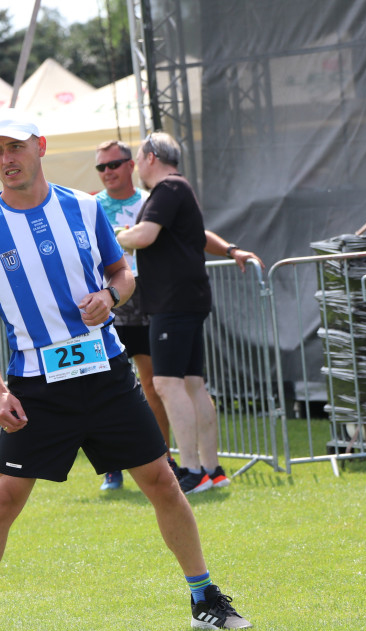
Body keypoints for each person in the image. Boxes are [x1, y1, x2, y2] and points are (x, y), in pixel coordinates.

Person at [0, 109, 251, 631]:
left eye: (15, 147)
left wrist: (112, 297)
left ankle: (205, 598)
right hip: (36, 386)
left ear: (40, 147)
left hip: (106, 373)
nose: (6, 159)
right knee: (4, 499)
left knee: (161, 481)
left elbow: (122, 273)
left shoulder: (83, 208)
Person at [94, 140, 264, 492]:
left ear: (150, 158)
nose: (136, 167)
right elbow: (194, 235)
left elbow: (145, 235)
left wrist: (113, 235)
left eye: (136, 160)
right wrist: (231, 249)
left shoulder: (167, 188)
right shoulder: (176, 190)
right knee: (191, 384)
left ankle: (190, 471)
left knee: (166, 384)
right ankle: (211, 469)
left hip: (172, 301)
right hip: (185, 299)